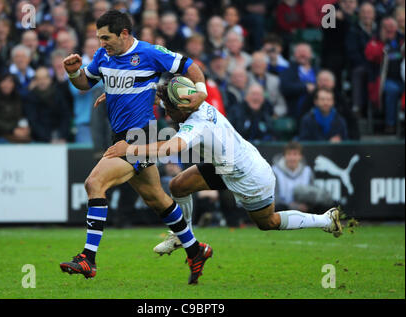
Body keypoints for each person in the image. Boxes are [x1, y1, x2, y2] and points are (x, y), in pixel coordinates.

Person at [104, 80, 343, 257]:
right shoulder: (196, 101)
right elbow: (162, 95)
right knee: (178, 185)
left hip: (248, 176)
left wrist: (130, 149)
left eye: (169, 109)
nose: (166, 113)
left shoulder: (195, 125)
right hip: (227, 164)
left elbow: (170, 148)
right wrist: (120, 97)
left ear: (183, 108)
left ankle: (325, 219)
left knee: (267, 222)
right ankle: (181, 234)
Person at [59, 10, 212, 285]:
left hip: (141, 136)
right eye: (98, 37)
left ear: (125, 34)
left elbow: (190, 65)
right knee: (157, 198)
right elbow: (86, 83)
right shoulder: (103, 56)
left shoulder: (150, 53)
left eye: (106, 37)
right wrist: (73, 73)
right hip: (120, 134)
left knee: (94, 183)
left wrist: (200, 90)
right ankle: (195, 249)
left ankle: (88, 259)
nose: (101, 42)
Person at [0, 73, 31, 144]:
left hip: (11, 134)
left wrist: (24, 128)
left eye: (10, 81)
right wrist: (13, 129)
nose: (7, 85)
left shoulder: (17, 99)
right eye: (4, 81)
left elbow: (19, 117)